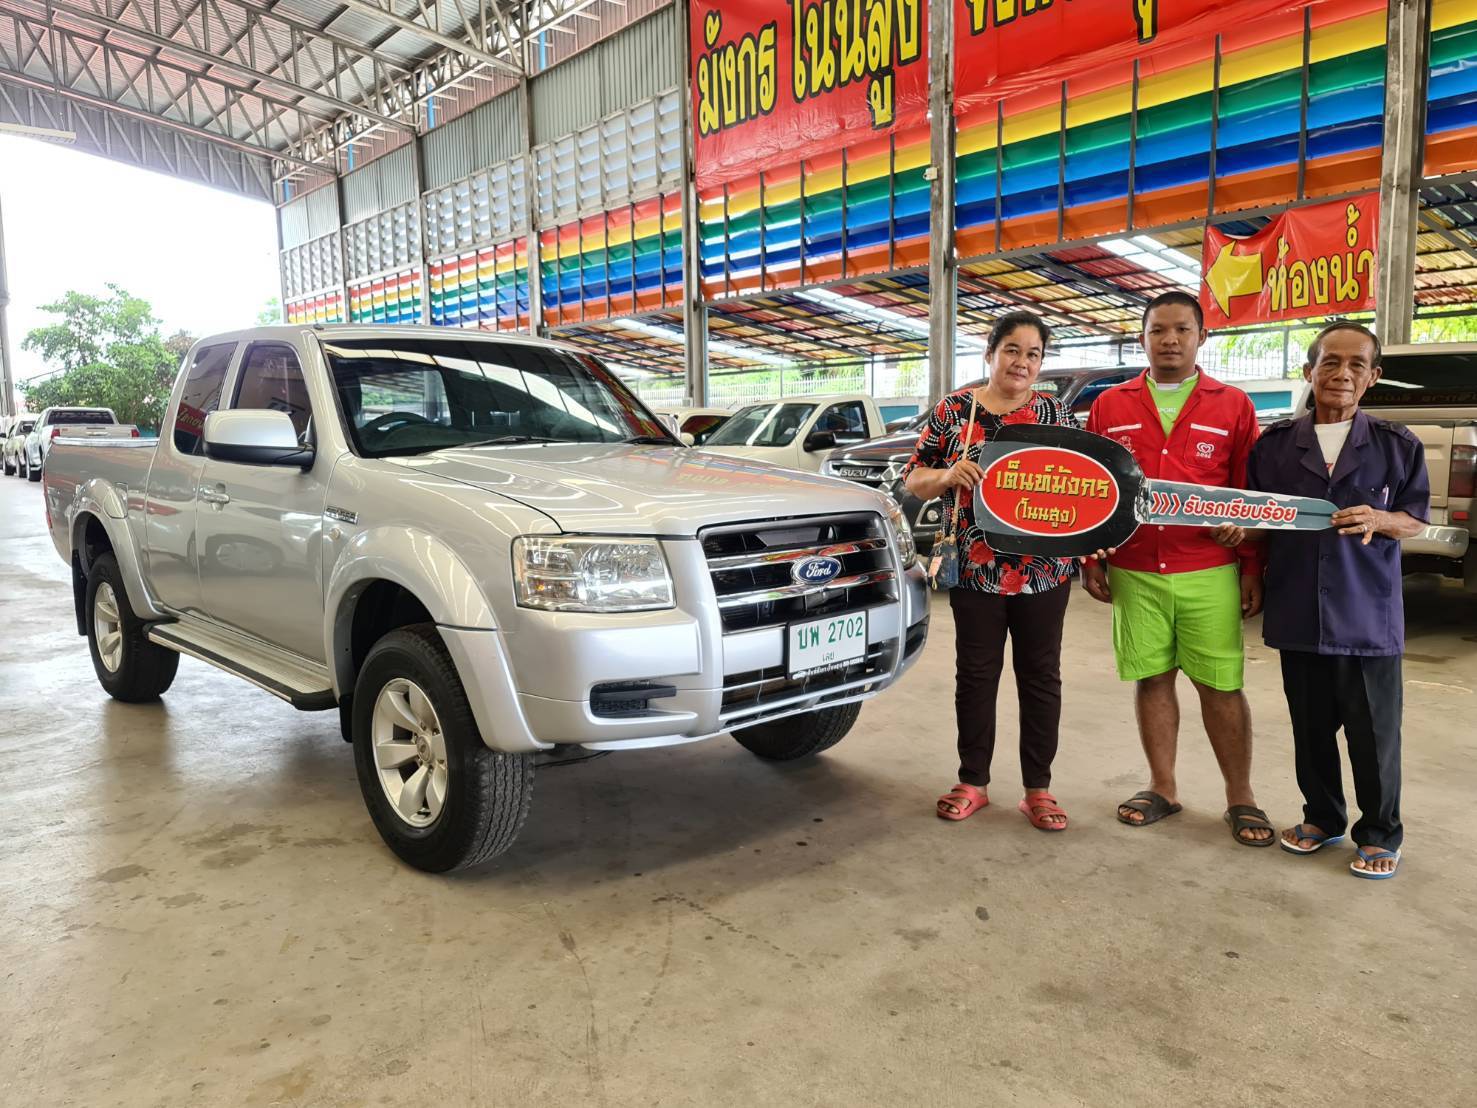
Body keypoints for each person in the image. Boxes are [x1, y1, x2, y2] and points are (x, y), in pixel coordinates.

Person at [1222, 321, 1427, 879]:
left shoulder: (1397, 444)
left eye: (1357, 364)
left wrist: (1381, 518)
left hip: (1366, 613)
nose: (1342, 373)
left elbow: (1414, 519)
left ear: (1373, 377)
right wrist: (1240, 532)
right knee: (1309, 727)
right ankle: (1322, 818)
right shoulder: (1276, 445)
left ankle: (1380, 833)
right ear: (1308, 370)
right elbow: (1260, 516)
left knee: (1374, 734)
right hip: (1299, 609)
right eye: (1330, 362)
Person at [1081, 291, 1274, 846]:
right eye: (1158, 330)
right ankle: (1162, 787)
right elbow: (1093, 488)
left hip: (1207, 569)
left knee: (1220, 685)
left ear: (1201, 337)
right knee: (1152, 678)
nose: (1169, 340)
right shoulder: (1110, 404)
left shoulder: (1233, 405)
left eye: (1181, 330)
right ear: (1142, 338)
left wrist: (1250, 564)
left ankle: (1241, 797)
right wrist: (1090, 558)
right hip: (1134, 569)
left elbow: (1246, 492)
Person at [903, 311, 1079, 831]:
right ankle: (972, 781)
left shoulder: (1053, 413)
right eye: (1012, 350)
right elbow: (914, 477)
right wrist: (946, 475)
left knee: (1041, 675)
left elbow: (1081, 484)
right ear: (990, 353)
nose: (1022, 362)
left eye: (1033, 354)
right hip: (976, 569)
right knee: (977, 674)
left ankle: (1038, 789)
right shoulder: (955, 410)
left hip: (1043, 569)